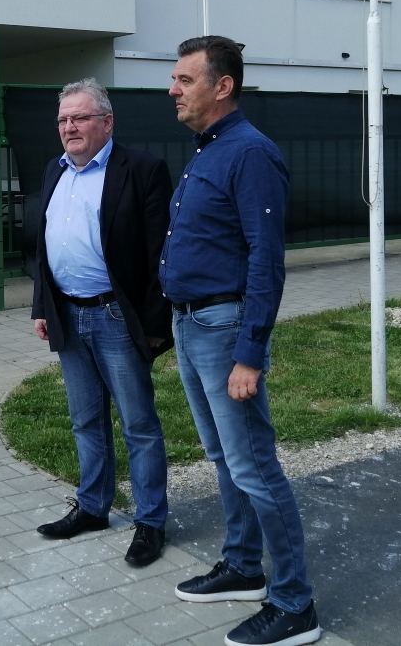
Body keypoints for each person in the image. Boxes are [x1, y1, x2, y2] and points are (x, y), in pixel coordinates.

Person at [162, 37, 320, 646]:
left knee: (254, 467)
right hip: (191, 324)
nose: (173, 90)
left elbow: (266, 260)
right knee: (224, 458)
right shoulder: (210, 149)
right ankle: (243, 566)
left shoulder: (250, 153)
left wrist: (249, 354)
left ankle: (294, 605)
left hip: (225, 332)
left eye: (185, 80)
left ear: (222, 86)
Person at [31, 77, 173, 567]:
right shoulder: (54, 170)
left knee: (139, 425)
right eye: (63, 119)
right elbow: (45, 246)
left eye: (80, 118)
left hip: (117, 316)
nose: (69, 127)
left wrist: (153, 323)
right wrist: (42, 307)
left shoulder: (143, 170)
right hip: (67, 314)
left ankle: (150, 521)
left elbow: (159, 253)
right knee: (85, 419)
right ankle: (92, 507)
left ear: (107, 122)